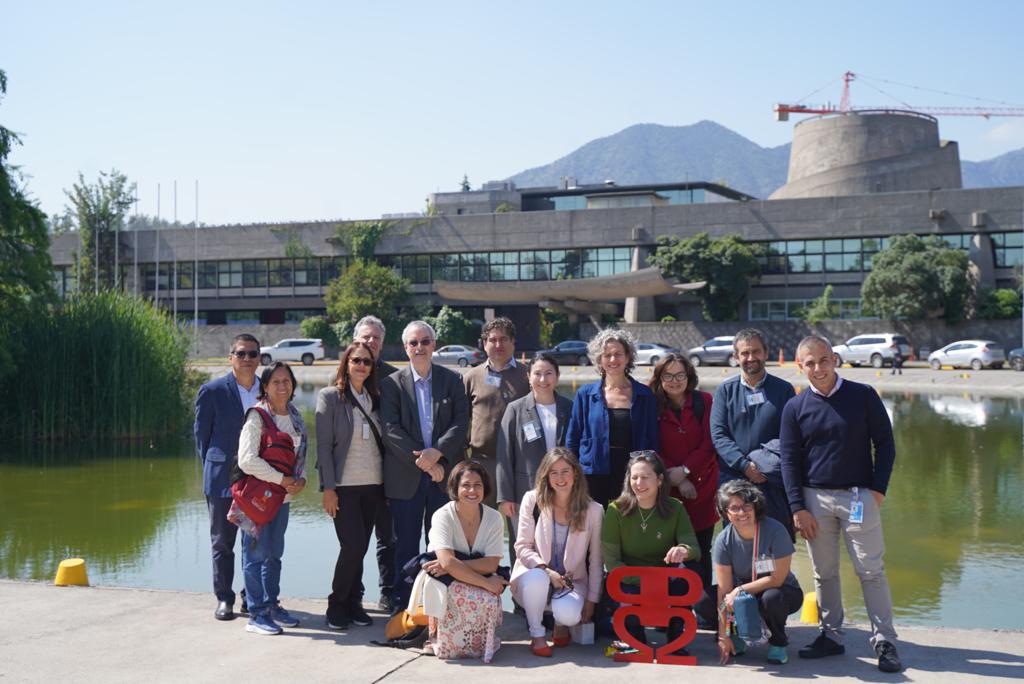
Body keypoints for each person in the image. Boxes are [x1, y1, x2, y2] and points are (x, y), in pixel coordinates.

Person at [780, 334, 901, 673]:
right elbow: (789, 461)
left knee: (871, 570)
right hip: (814, 500)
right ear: (800, 366)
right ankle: (831, 635)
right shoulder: (795, 407)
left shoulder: (863, 396)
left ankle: (885, 641)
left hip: (859, 497)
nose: (818, 368)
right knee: (824, 572)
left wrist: (878, 490)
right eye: (810, 363)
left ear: (834, 359)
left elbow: (886, 445)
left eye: (823, 360)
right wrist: (797, 508)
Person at [380, 320, 470, 610]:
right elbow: (391, 429)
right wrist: (425, 462)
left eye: (425, 342)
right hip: (406, 477)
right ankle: (404, 606)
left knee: (441, 544)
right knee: (405, 545)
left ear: (434, 345)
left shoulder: (453, 380)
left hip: (444, 477)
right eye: (414, 343)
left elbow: (461, 423)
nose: (420, 347)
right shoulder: (391, 384)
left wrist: (439, 454)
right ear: (406, 348)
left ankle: (439, 604)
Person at [694, 480, 803, 666]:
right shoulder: (723, 540)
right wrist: (723, 635)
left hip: (780, 590)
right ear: (725, 512)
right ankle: (737, 634)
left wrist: (740, 589)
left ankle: (778, 642)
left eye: (746, 506)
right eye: (734, 508)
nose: (741, 513)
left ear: (756, 506)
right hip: (742, 596)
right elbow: (724, 591)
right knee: (703, 600)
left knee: (772, 598)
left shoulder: (776, 530)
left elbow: (777, 579)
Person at [316, 342, 385, 630]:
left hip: (374, 484)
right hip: (344, 486)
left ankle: (354, 603)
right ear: (346, 363)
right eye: (356, 360)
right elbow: (323, 447)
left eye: (367, 362)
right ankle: (337, 604)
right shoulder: (330, 397)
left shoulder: (376, 397)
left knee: (361, 547)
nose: (361, 366)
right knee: (352, 545)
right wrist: (328, 488)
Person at [235, 361, 307, 635]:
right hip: (254, 500)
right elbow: (246, 460)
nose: (282, 386)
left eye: (286, 381)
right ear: (264, 387)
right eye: (275, 381)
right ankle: (256, 614)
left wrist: (301, 481)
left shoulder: (296, 416)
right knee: (254, 555)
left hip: (282, 501)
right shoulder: (256, 416)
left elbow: (300, 458)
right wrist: (282, 480)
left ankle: (271, 605)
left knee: (274, 555)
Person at [194, 333, 262, 621]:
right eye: (241, 353)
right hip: (222, 476)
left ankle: (253, 596)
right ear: (230, 357)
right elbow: (202, 437)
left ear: (260, 357)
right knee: (223, 541)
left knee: (256, 541)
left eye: (252, 354)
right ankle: (224, 597)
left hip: (259, 478)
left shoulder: (269, 388)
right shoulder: (212, 391)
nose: (247, 359)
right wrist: (217, 464)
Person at [601, 451, 699, 650]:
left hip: (666, 577)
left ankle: (676, 636)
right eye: (634, 477)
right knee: (615, 588)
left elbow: (694, 548)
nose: (639, 483)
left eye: (645, 477)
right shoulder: (615, 510)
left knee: (689, 575)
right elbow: (611, 562)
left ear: (660, 480)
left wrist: (683, 550)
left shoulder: (675, 507)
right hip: (629, 578)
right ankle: (634, 638)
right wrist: (648, 582)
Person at [511, 447, 603, 657]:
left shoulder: (594, 510)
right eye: (553, 472)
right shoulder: (532, 500)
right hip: (534, 578)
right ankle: (537, 635)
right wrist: (547, 571)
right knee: (537, 578)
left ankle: (561, 624)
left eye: (565, 471)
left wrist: (591, 600)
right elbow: (522, 547)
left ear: (575, 474)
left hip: (572, 581)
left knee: (570, 615)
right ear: (546, 476)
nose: (560, 478)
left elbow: (596, 560)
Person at [710, 328, 796, 538]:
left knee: (776, 542)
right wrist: (744, 466)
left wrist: (765, 465)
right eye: (745, 353)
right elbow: (718, 435)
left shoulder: (784, 390)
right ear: (736, 357)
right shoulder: (725, 391)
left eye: (756, 351)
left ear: (766, 353)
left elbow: (791, 436)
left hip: (773, 481)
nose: (751, 358)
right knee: (738, 544)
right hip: (734, 480)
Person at [421, 461, 508, 662]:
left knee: (486, 596)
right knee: (457, 589)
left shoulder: (494, 518)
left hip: (466, 572)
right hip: (442, 578)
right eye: (466, 485)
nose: (472, 490)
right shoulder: (442, 516)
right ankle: (442, 639)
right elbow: (446, 562)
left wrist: (451, 565)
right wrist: (487, 583)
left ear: (485, 488)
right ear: (455, 488)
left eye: (478, 485)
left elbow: (491, 565)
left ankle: (480, 642)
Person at [649, 353, 719, 590]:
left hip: (702, 489)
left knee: (700, 548)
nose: (674, 380)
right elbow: (651, 446)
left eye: (680, 375)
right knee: (666, 550)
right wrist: (674, 477)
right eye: (668, 376)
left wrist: (686, 471)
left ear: (689, 376)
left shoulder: (705, 401)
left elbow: (710, 443)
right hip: (667, 488)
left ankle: (703, 608)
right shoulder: (652, 406)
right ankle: (670, 612)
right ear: (659, 379)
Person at [567, 329, 658, 507]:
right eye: (607, 355)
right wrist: (572, 473)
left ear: (628, 357)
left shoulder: (645, 395)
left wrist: (652, 472)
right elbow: (573, 438)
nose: (613, 360)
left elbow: (653, 439)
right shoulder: (585, 395)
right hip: (592, 475)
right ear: (599, 360)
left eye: (618, 354)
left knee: (628, 529)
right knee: (594, 530)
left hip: (633, 475)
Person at [495, 353, 572, 550]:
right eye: (537, 374)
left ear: (557, 376)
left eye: (548, 373)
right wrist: (505, 496)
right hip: (525, 492)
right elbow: (504, 456)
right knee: (524, 547)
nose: (543, 379)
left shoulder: (570, 408)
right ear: (528, 376)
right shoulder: (515, 409)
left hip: (565, 491)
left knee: (561, 548)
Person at [353, 315, 398, 613]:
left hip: (389, 471)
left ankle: (389, 592)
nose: (371, 342)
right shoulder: (343, 374)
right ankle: (352, 593)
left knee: (388, 538)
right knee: (354, 541)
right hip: (353, 474)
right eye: (366, 337)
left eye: (376, 338)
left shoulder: (394, 378)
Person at [463, 317, 530, 507]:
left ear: (513, 343)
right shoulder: (471, 377)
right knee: (482, 524)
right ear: (484, 344)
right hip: (482, 462)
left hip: (519, 464)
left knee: (519, 524)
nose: (498, 344)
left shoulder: (529, 376)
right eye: (492, 340)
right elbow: (461, 419)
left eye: (504, 339)